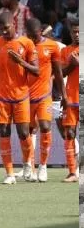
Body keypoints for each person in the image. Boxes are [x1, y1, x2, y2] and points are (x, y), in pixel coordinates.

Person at [0, 12, 39, 185]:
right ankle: (9, 173)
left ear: (14, 24)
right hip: (2, 95)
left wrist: (21, 62)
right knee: (4, 132)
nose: (3, 32)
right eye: (1, 29)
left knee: (24, 132)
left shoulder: (26, 43)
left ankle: (28, 165)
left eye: (6, 28)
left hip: (21, 95)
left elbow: (37, 70)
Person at [25, 18, 66, 182]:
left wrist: (64, 95)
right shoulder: (24, 45)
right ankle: (29, 165)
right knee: (27, 132)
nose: (34, 38)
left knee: (45, 126)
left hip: (44, 96)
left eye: (36, 35)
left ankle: (43, 166)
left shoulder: (52, 46)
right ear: (27, 34)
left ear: (40, 32)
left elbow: (58, 72)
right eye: (31, 36)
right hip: (25, 96)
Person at [59, 19, 79, 182]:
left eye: (80, 31)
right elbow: (62, 74)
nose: (77, 34)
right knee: (69, 133)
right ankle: (72, 171)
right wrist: (72, 65)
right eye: (74, 32)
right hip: (71, 97)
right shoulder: (65, 51)